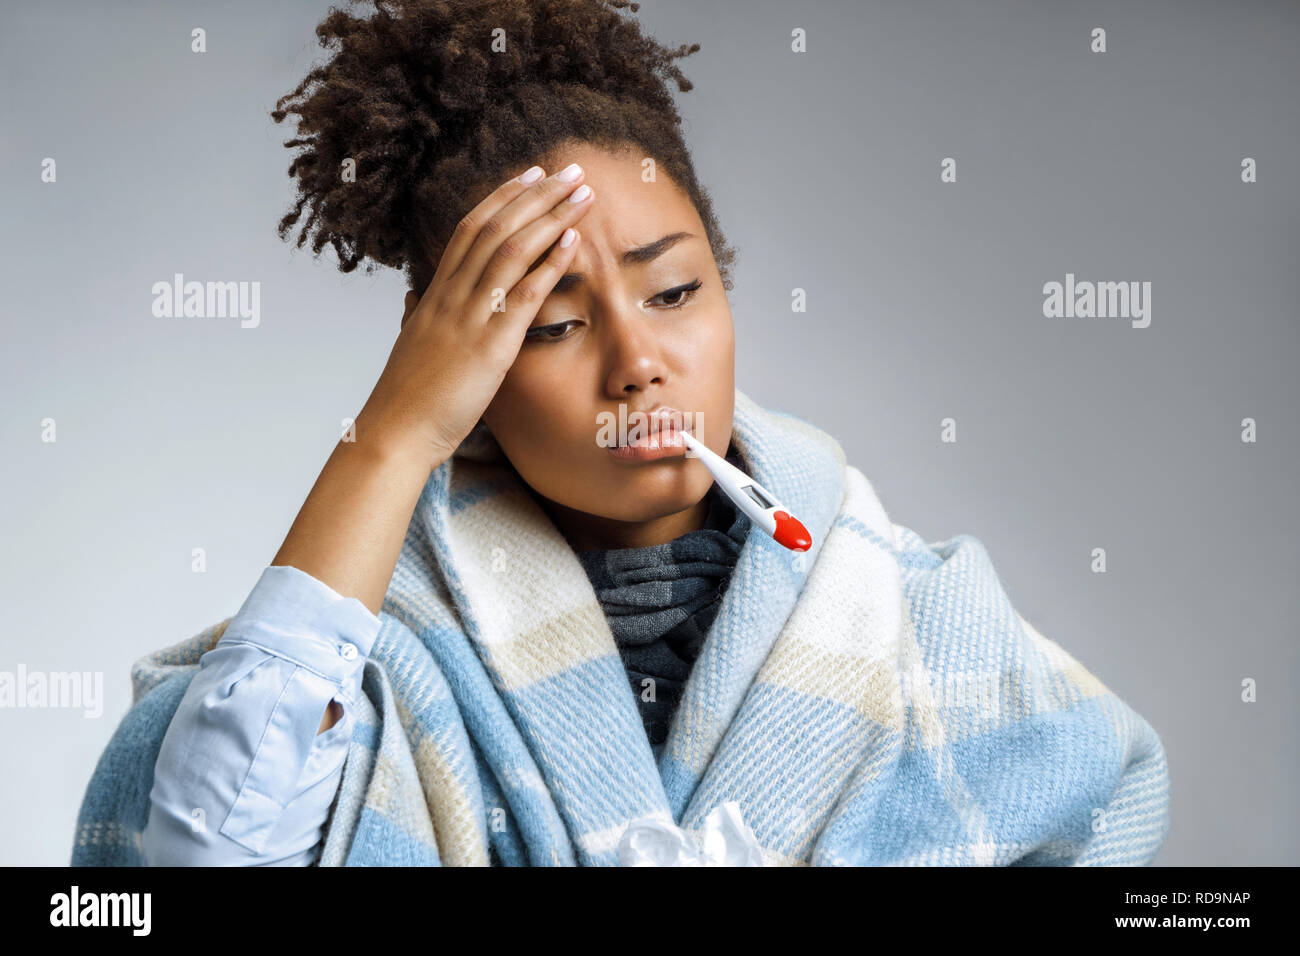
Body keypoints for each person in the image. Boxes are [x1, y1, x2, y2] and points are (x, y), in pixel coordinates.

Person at [72, 0, 1170, 867]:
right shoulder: (382, 649)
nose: (636, 361)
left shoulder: (911, 612)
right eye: (551, 324)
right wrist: (392, 438)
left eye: (676, 292)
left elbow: (1113, 810)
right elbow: (210, 847)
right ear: (469, 374)